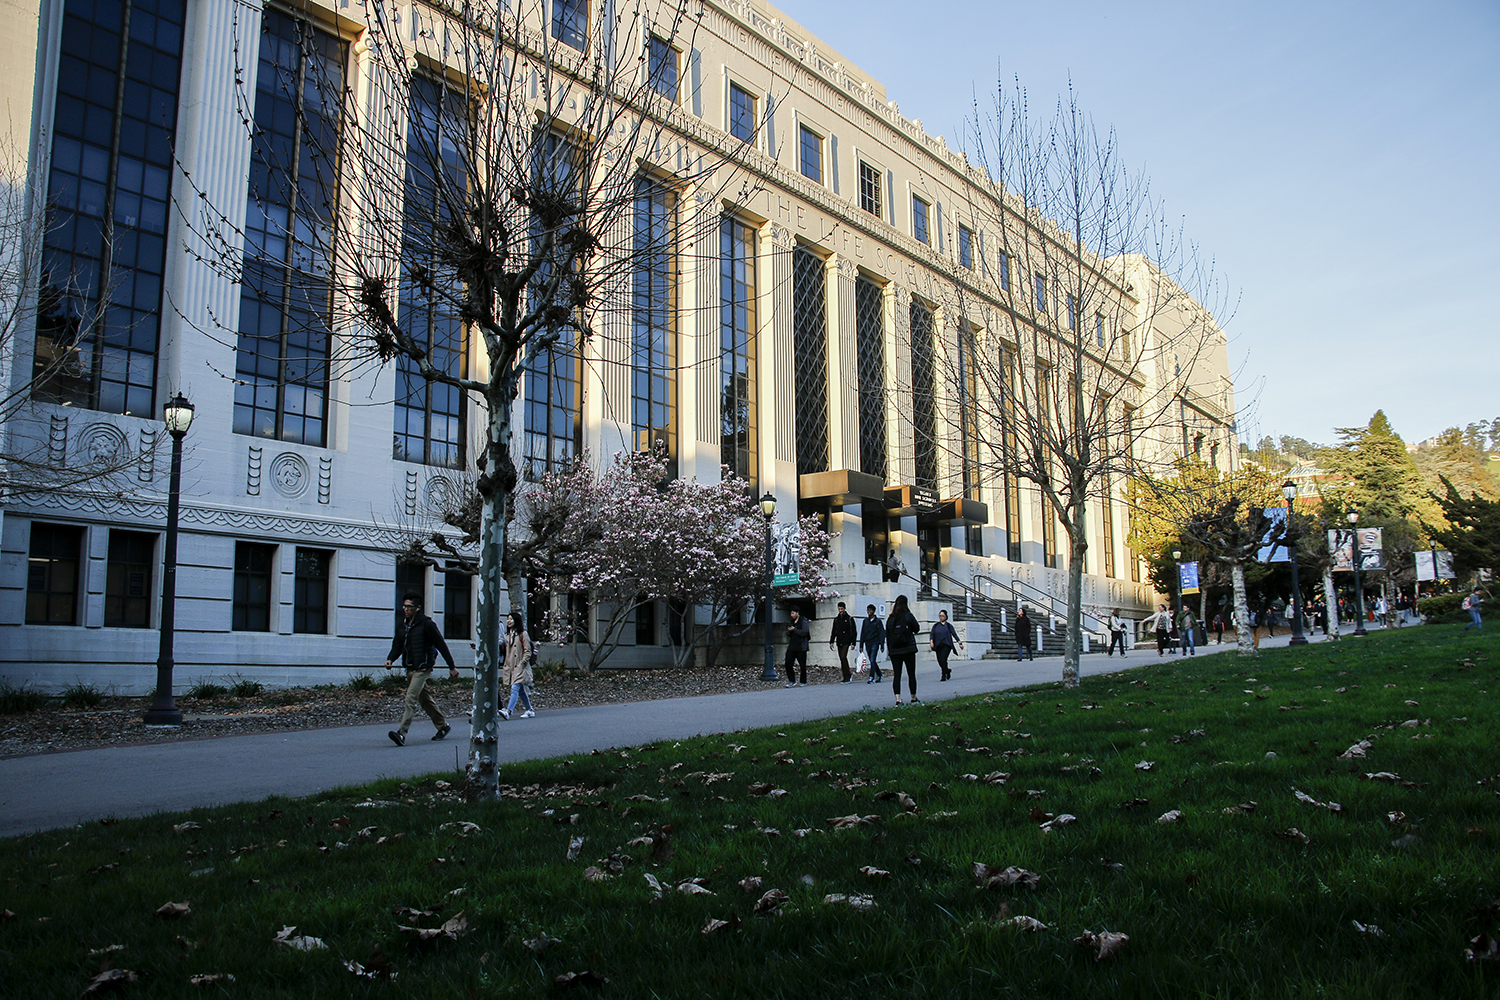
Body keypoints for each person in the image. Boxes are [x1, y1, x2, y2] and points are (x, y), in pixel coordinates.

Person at [385, 592, 458, 746]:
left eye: (409, 607)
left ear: (418, 608)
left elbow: (441, 645)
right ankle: (443, 726)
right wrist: (390, 659)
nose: (406, 609)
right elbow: (397, 645)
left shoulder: (427, 624)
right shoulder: (402, 625)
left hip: (423, 667)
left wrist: (451, 667)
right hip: (410, 667)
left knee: (410, 697)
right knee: (424, 699)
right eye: (404, 606)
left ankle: (402, 733)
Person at [886, 594, 922, 705]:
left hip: (895, 651)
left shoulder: (890, 618)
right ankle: (913, 697)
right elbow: (916, 628)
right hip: (908, 649)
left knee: (897, 675)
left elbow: (887, 634)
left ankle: (898, 699)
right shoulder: (908, 616)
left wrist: (890, 650)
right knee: (911, 674)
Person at [501, 611, 534, 721]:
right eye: (508, 619)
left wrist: (522, 663)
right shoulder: (507, 635)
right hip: (510, 666)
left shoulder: (523, 634)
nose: (509, 621)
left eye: (511, 619)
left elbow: (528, 650)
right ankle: (529, 709)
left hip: (520, 666)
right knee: (520, 690)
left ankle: (509, 711)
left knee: (514, 688)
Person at [929, 609, 963, 681]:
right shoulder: (936, 625)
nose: (941, 617)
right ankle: (947, 670)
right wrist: (931, 642)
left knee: (943, 659)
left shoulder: (948, 625)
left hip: (946, 644)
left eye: (943, 616)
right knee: (940, 660)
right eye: (940, 616)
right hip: (938, 645)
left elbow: (954, 634)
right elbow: (932, 634)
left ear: (946, 617)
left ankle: (943, 675)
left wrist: (959, 643)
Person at [829, 601, 858, 682]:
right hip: (839, 640)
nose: (840, 610)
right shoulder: (836, 619)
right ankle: (845, 675)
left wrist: (853, 643)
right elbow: (834, 631)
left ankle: (848, 675)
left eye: (841, 609)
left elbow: (854, 631)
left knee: (843, 656)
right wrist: (831, 642)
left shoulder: (849, 619)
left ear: (844, 609)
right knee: (842, 659)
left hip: (846, 640)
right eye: (839, 609)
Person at [784, 607, 810, 687]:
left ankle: (803, 681)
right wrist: (789, 630)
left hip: (801, 646)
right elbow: (787, 633)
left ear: (797, 613)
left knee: (802, 665)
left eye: (793, 613)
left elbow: (805, 632)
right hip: (792, 645)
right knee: (788, 663)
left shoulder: (803, 621)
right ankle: (792, 680)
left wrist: (795, 629)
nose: (792, 615)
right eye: (791, 613)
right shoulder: (791, 622)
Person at [859, 604, 885, 683]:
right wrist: (861, 645)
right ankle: (879, 674)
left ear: (874, 611)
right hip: (868, 642)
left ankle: (871, 676)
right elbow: (862, 633)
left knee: (873, 659)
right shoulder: (865, 621)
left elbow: (881, 633)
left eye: (870, 610)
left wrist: (882, 645)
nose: (869, 612)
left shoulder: (878, 621)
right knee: (872, 660)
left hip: (875, 642)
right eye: (868, 610)